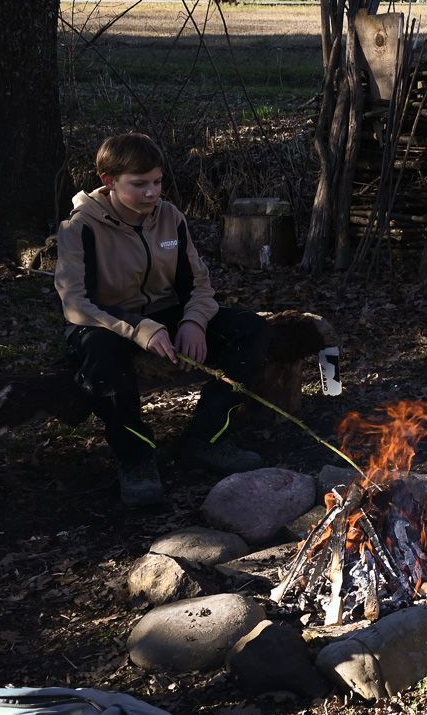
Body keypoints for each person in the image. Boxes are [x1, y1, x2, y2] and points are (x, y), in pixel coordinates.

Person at [56, 132, 269, 507]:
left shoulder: (171, 218)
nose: (152, 193)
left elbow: (198, 283)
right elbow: (76, 303)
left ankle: (206, 438)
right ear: (109, 181)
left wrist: (194, 322)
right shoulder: (80, 227)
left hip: (163, 313)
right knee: (102, 358)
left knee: (252, 331)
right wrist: (139, 329)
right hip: (104, 322)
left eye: (156, 182)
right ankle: (136, 458)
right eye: (139, 184)